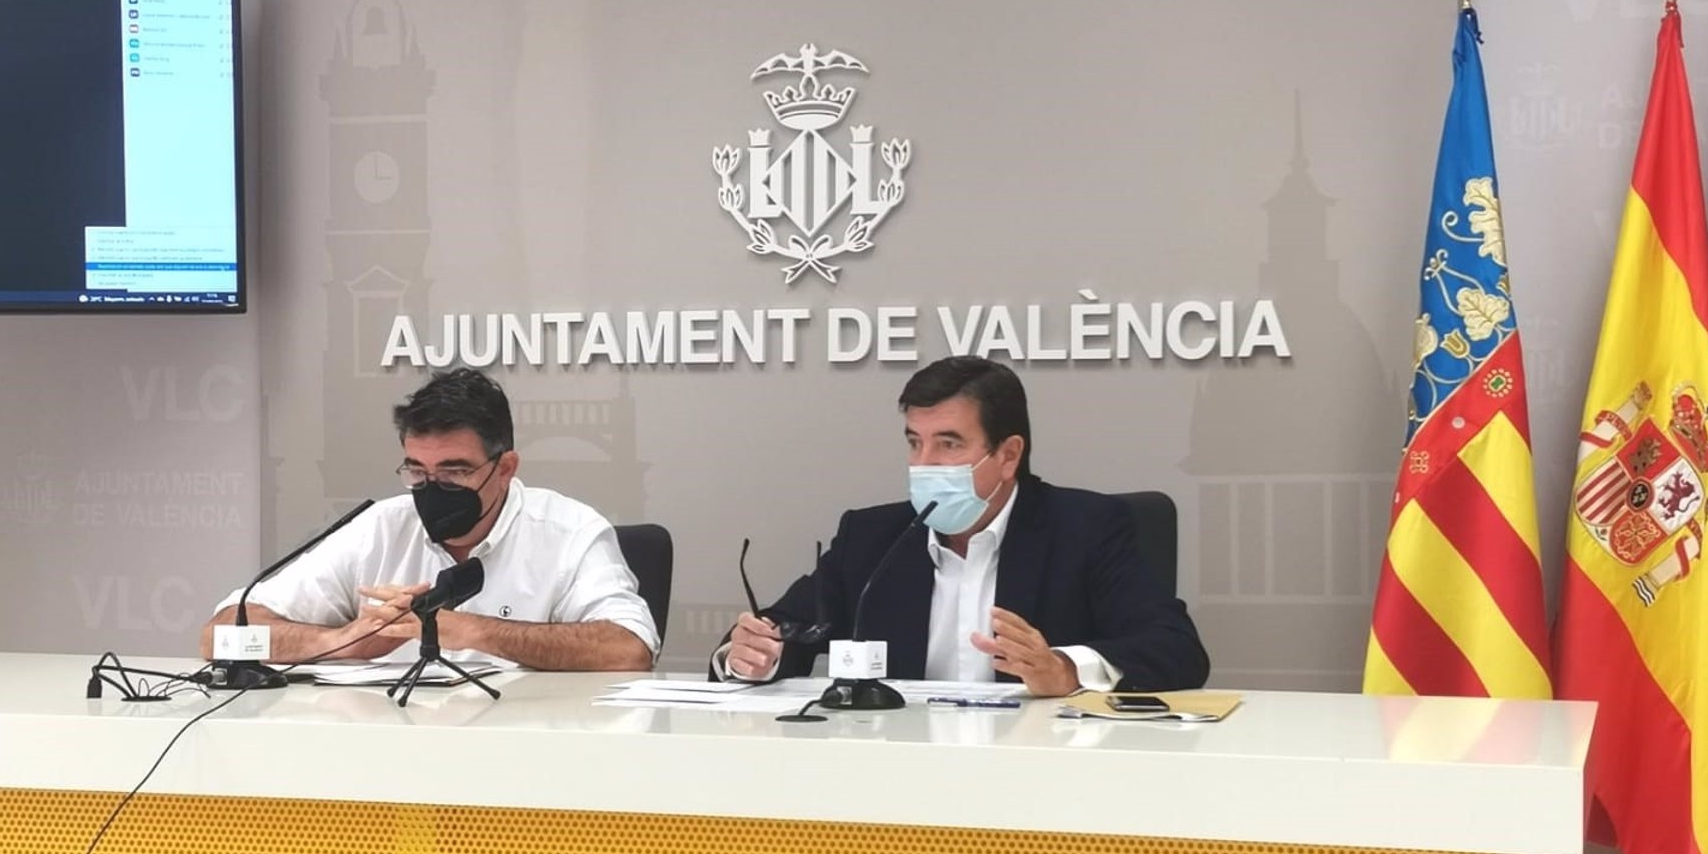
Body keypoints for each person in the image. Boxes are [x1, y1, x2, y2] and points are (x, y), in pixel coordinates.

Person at [720, 356, 1208, 695]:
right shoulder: (873, 538)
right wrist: (752, 656)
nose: (925, 463)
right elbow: (787, 629)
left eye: (949, 444)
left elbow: (1176, 651)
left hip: (1043, 775)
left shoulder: (1086, 529)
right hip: (897, 773)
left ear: (1008, 454)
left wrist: (1064, 670)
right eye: (915, 442)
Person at [201, 368, 656, 670]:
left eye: (455, 471)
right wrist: (341, 640)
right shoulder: (380, 526)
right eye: (417, 471)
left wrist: (476, 632)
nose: (433, 487)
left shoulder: (569, 533)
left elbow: (629, 649)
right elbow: (219, 636)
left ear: (505, 468)